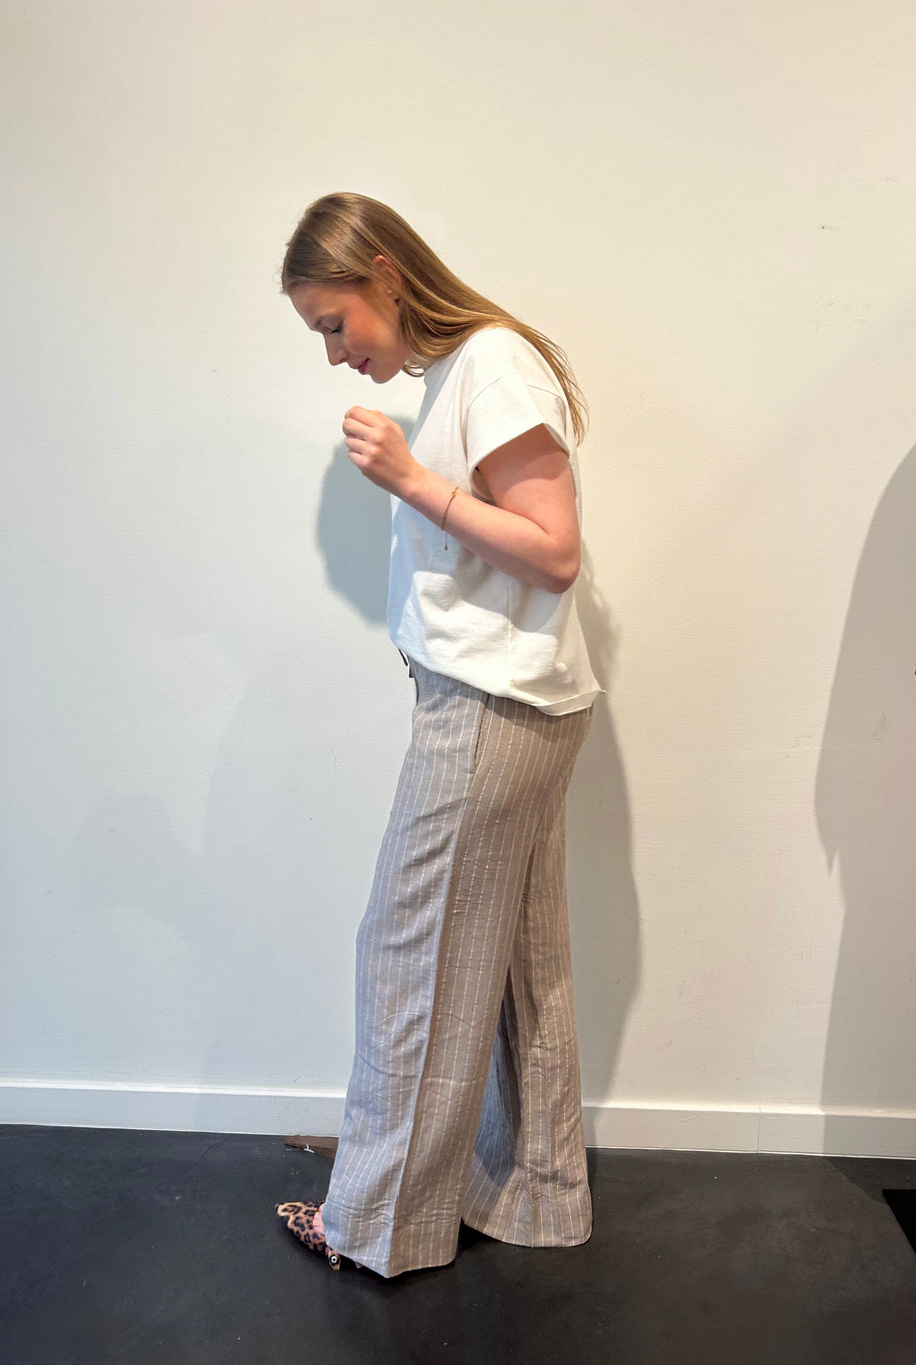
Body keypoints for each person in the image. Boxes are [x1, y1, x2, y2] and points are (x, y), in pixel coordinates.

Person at [275, 192, 604, 1277]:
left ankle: (375, 1222)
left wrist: (411, 480)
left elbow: (553, 552)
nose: (335, 353)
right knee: (518, 965)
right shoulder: (466, 370)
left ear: (384, 271)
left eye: (334, 323)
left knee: (408, 954)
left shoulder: (491, 363)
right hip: (518, 703)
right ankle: (535, 1196)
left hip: (489, 709)